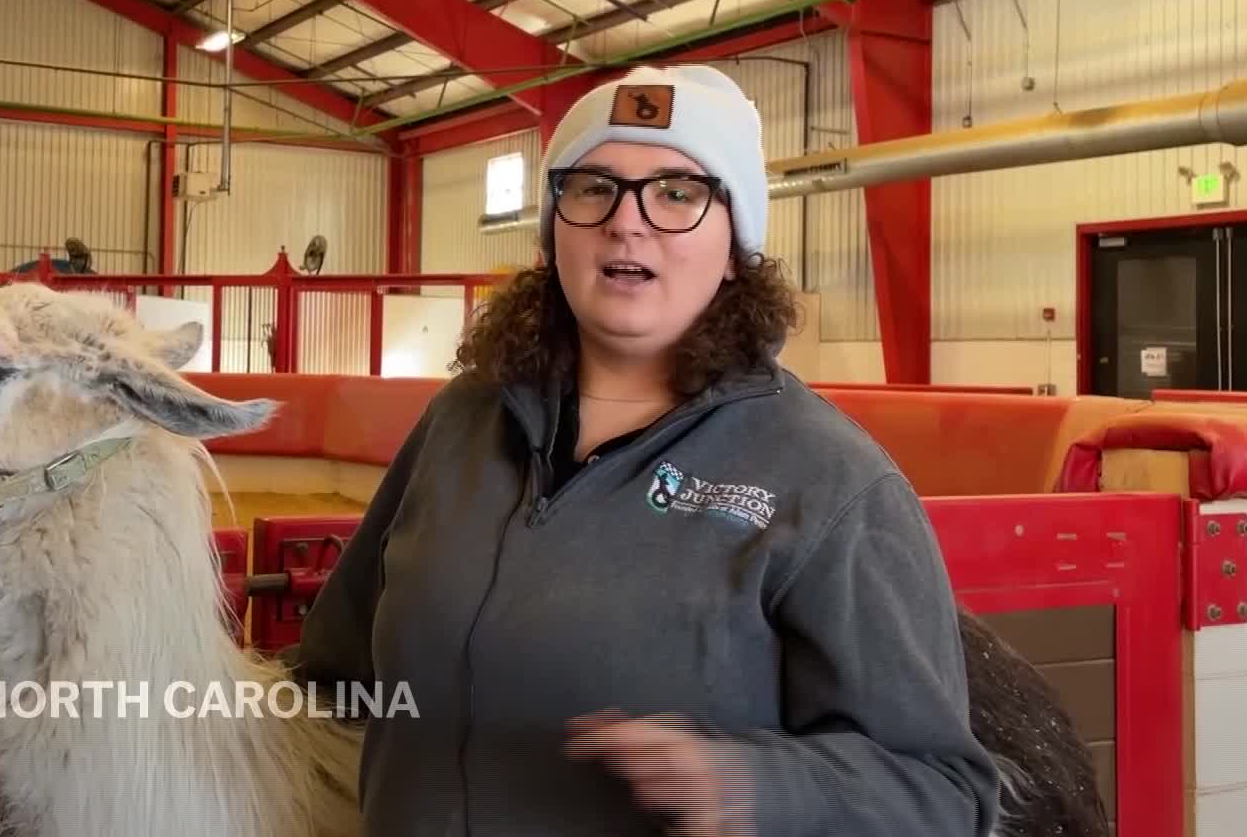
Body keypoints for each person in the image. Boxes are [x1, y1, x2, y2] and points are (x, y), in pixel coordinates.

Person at [286, 65, 1001, 836]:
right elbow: (336, 676)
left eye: (678, 193)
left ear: (735, 248)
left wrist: (757, 786)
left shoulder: (829, 481)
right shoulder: (460, 423)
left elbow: (944, 794)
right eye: (593, 187)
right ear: (553, 229)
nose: (628, 221)